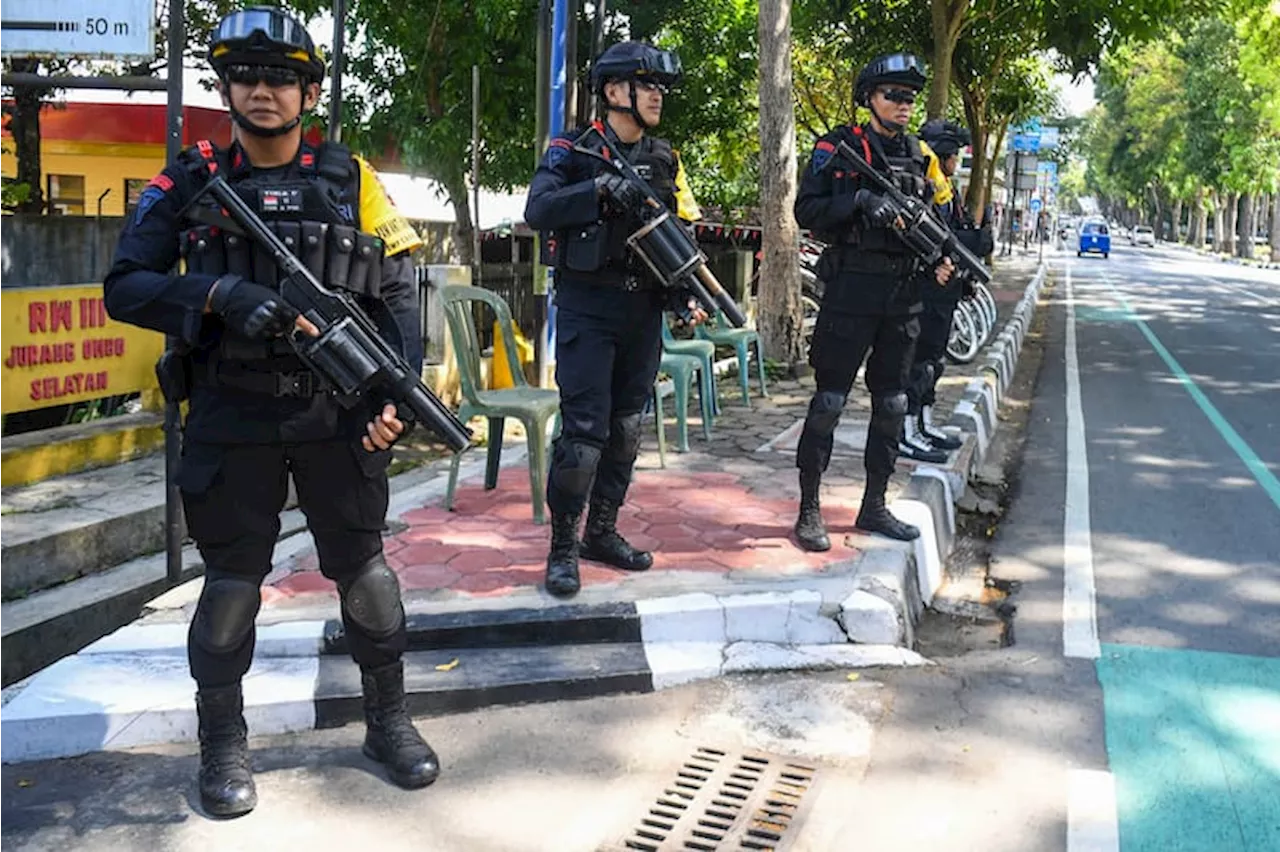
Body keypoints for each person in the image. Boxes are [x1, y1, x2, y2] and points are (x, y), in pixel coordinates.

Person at [103, 6, 438, 818]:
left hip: (335, 414)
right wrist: (219, 293)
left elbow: (399, 292)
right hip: (230, 412)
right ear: (225, 87)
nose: (262, 91)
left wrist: (396, 395)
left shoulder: (350, 179)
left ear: (309, 91)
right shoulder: (186, 181)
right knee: (230, 591)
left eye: (280, 77)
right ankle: (223, 746)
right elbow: (125, 286)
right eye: (246, 77)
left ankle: (386, 722)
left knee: (367, 579)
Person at [525, 41, 706, 598]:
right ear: (612, 91)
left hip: (642, 310)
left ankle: (601, 532)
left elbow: (675, 235)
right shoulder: (573, 150)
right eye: (645, 84)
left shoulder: (664, 158)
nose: (657, 95)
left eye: (659, 87)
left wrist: (684, 298)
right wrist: (599, 189)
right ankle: (562, 547)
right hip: (589, 307)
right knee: (584, 434)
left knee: (627, 429)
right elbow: (537, 209)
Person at [792, 52, 955, 551]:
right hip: (850, 292)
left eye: (910, 97)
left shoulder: (921, 154)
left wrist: (942, 259)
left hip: (903, 297)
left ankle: (875, 504)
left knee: (892, 404)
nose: (904, 105)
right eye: (894, 96)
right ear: (870, 99)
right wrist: (859, 204)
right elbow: (807, 210)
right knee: (829, 403)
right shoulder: (836, 148)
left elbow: (938, 219)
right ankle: (809, 510)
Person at [900, 118, 994, 460]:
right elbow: (928, 236)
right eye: (954, 155)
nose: (957, 162)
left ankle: (924, 423)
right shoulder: (924, 186)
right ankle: (906, 431)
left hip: (946, 288)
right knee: (917, 364)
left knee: (934, 363)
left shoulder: (945, 189)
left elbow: (952, 233)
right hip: (925, 287)